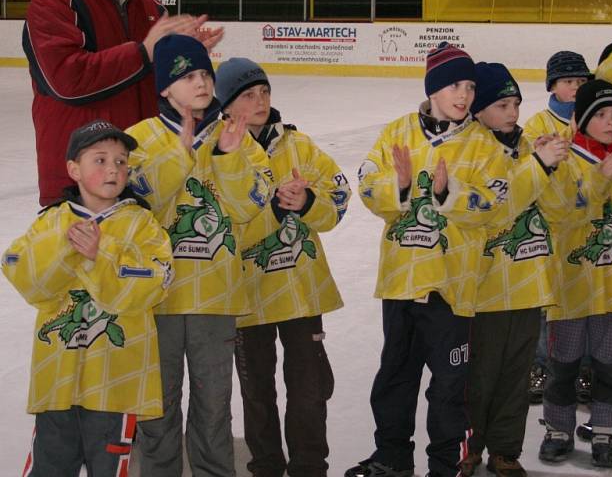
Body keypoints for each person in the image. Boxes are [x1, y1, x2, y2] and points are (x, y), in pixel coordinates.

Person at [347, 42, 509, 477]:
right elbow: (366, 184)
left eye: (471, 86)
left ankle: (445, 464)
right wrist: (397, 187)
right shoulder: (397, 132)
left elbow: (495, 203)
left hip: (452, 287)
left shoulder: (483, 144)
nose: (464, 95)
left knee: (450, 387)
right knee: (395, 377)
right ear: (434, 88)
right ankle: (392, 456)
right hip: (401, 282)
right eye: (455, 85)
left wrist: (446, 194)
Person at [125, 36, 272, 477]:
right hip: (158, 298)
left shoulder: (236, 138)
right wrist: (181, 154)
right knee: (158, 404)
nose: (202, 83)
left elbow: (251, 206)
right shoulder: (139, 139)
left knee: (213, 406)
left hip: (215, 296)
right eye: (188, 76)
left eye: (206, 74)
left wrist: (227, 157)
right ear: (165, 89)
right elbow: (139, 206)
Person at [1, 120, 173, 477]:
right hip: (58, 381)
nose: (114, 168)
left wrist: (102, 254)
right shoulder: (51, 221)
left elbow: (157, 280)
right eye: (100, 159)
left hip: (116, 384)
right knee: (50, 467)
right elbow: (16, 266)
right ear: (73, 169)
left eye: (122, 161)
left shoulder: (143, 224)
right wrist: (62, 247)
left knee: (110, 469)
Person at [22, 0, 222, 206]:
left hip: (145, 173)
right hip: (81, 183)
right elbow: (66, 80)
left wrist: (186, 58)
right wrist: (144, 52)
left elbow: (161, 84)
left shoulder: (148, 3)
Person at [214, 58, 351, 477]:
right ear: (226, 104)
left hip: (299, 292)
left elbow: (339, 197)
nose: (259, 101)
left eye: (264, 92)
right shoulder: (216, 152)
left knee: (310, 389)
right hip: (246, 294)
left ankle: (311, 467)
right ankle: (267, 467)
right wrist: (274, 206)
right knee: (257, 391)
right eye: (248, 95)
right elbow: (220, 224)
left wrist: (309, 204)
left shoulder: (300, 146)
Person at [536, 80, 612, 469]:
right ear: (583, 118)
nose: (611, 122)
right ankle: (557, 429)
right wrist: (601, 178)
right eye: (601, 115)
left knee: (610, 365)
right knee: (563, 363)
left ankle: (606, 431)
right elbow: (560, 211)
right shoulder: (561, 158)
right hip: (570, 283)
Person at [460, 62, 571, 477]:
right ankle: (468, 445)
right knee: (479, 376)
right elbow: (494, 208)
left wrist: (556, 169)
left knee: (515, 376)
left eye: (516, 104)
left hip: (527, 283)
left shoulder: (530, 147)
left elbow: (559, 211)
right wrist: (539, 166)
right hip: (484, 288)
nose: (512, 112)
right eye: (502, 104)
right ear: (477, 110)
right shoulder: (469, 148)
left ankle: (506, 448)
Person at [522, 50, 593, 406]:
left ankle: (582, 367)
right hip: (548, 228)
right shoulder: (537, 124)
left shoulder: (597, 119)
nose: (576, 88)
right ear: (553, 85)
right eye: (569, 82)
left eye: (582, 82)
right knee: (544, 302)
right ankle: (539, 365)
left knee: (582, 299)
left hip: (586, 226)